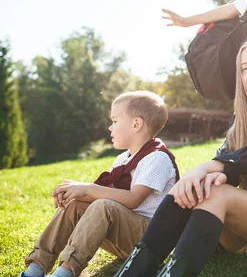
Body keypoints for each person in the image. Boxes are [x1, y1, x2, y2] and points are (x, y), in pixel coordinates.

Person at [114, 39, 247, 276]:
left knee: (213, 189)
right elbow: (223, 168)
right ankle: (134, 271)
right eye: (245, 68)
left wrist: (215, 166)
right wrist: (200, 177)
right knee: (199, 186)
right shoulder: (241, 122)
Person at [20, 91, 178, 277]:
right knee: (76, 204)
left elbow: (133, 200)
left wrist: (88, 188)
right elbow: (108, 194)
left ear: (136, 124)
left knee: (103, 206)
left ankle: (65, 272)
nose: (110, 127)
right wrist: (75, 192)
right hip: (124, 236)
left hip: (150, 239)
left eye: (115, 121)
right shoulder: (123, 158)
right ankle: (35, 268)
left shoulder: (157, 158)